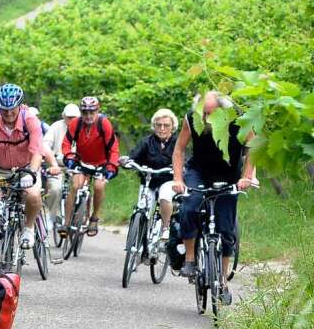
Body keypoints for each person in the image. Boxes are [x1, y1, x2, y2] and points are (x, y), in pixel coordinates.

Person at [172, 91, 257, 305]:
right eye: (203, 114)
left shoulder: (239, 120)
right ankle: (190, 259)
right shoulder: (191, 118)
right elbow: (179, 150)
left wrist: (246, 177)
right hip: (198, 172)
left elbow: (253, 149)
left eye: (210, 114)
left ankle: (223, 280)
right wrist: (178, 179)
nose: (205, 119)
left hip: (228, 174)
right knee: (189, 207)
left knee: (226, 229)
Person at [0, 83, 61, 250]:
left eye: (12, 109)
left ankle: (28, 229)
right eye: (4, 109)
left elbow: (37, 150)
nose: (8, 113)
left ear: (20, 106)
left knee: (34, 195)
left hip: (26, 168)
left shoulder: (30, 120)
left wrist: (31, 173)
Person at [60, 96, 121, 237]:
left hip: (101, 163)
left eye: (91, 112)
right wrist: (68, 155)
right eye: (85, 112)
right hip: (82, 161)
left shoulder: (104, 124)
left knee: (99, 186)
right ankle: (67, 223)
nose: (88, 116)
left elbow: (114, 148)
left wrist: (112, 166)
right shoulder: (76, 123)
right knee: (75, 186)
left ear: (97, 111)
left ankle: (94, 218)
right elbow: (66, 143)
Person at [120, 108, 179, 239]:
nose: (162, 128)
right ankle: (139, 236)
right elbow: (133, 156)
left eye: (166, 125)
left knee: (164, 196)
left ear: (172, 127)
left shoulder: (177, 143)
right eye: (159, 125)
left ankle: (165, 227)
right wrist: (126, 161)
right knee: (143, 205)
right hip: (148, 181)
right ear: (154, 126)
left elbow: (184, 159)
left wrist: (178, 168)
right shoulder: (146, 142)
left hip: (167, 180)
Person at [42, 103, 80, 222]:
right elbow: (45, 144)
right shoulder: (56, 126)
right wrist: (51, 160)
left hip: (78, 167)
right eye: (69, 117)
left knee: (82, 188)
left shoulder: (85, 128)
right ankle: (52, 216)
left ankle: (81, 216)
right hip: (58, 166)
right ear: (63, 116)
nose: (71, 120)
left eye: (74, 117)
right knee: (55, 189)